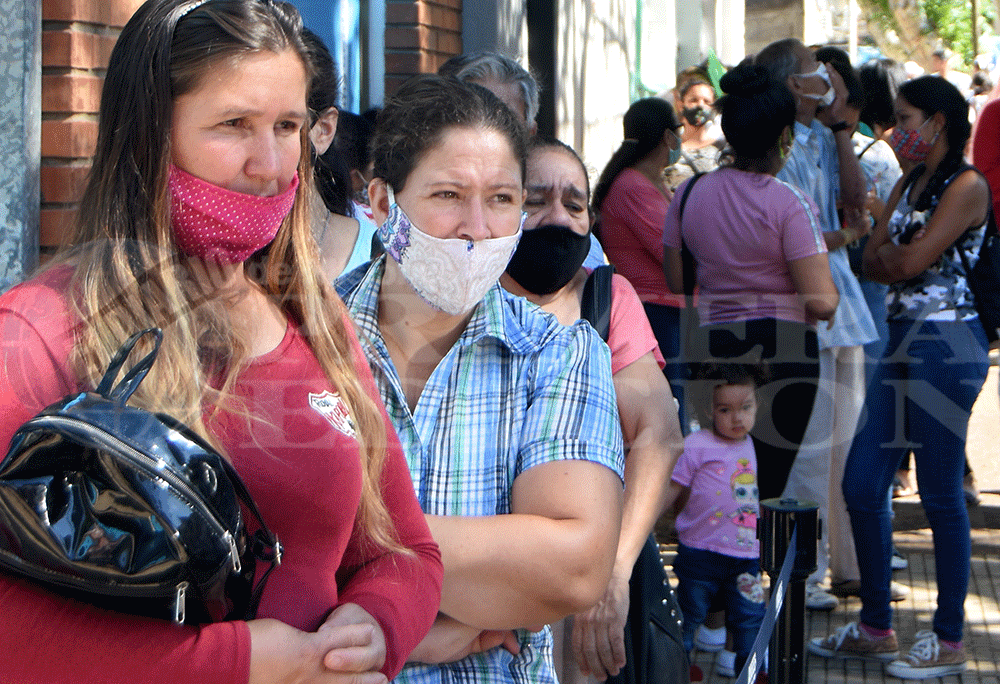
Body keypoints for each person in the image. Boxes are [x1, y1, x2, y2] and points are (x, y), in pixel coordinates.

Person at [0, 1, 443, 682]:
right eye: (234, 125)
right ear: (150, 135)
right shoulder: (40, 329)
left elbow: (404, 550)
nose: (271, 164)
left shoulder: (312, 314)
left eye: (288, 126)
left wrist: (377, 622)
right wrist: (238, 662)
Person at [336, 74, 625, 684]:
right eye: (448, 195)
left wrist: (346, 551)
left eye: (500, 199)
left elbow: (573, 569)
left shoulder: (559, 352)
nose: (477, 228)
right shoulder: (300, 338)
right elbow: (249, 556)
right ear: (383, 204)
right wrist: (419, 630)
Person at [809, 75, 990, 679]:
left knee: (940, 493)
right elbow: (870, 257)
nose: (897, 131)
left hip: (947, 346)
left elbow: (905, 258)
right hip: (901, 341)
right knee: (863, 483)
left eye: (907, 119)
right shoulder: (910, 181)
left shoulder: (967, 186)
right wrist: (890, 257)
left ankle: (948, 637)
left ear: (939, 123)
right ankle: (876, 627)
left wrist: (892, 257)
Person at [500, 137, 684, 683]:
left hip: (584, 584)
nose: (558, 218)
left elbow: (659, 434)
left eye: (574, 205)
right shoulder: (460, 302)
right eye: (536, 201)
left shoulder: (608, 299)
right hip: (489, 579)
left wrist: (612, 572)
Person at [662, 60, 839, 507]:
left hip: (713, 345)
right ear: (785, 136)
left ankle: (721, 549)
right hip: (784, 349)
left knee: (727, 479)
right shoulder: (789, 202)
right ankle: (761, 555)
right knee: (769, 488)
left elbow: (677, 280)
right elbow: (822, 302)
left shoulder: (688, 194)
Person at [755, 40, 879, 612]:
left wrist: (843, 128)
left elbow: (854, 200)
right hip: (806, 307)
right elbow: (798, 232)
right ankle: (797, 577)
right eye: (814, 71)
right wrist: (847, 236)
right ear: (793, 84)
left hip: (843, 307)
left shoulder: (824, 138)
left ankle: (846, 565)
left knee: (845, 450)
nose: (826, 79)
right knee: (807, 451)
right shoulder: (776, 147)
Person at [439, 51, 606, 269]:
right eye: (470, 118)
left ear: (530, 135)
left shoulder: (575, 247)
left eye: (505, 124)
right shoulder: (412, 226)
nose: (487, 135)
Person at [594, 98, 688, 427]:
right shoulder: (633, 187)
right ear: (667, 137)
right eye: (678, 131)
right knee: (667, 418)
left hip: (669, 311)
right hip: (653, 312)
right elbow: (673, 251)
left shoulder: (652, 183)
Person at [669, 363, 766, 677]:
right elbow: (673, 489)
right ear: (708, 411)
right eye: (726, 410)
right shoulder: (696, 444)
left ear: (757, 405)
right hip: (700, 552)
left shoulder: (749, 443)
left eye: (746, 408)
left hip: (745, 555)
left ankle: (750, 672)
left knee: (750, 616)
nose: (738, 418)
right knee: (689, 614)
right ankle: (679, 670)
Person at [303, 29, 379, 280]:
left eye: (285, 126)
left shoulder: (384, 258)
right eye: (231, 124)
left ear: (324, 130)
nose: (263, 160)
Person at [664, 76, 725, 193]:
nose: (700, 105)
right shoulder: (667, 148)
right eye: (694, 100)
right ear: (681, 105)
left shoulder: (722, 148)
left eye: (707, 101)